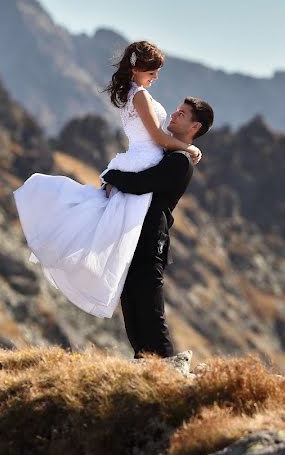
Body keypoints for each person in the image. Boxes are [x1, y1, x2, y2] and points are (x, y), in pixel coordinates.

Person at [12, 40, 202, 319]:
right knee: (128, 232)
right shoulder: (140, 96)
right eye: (153, 71)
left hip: (140, 158)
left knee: (121, 227)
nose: (156, 77)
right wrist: (189, 147)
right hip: (144, 160)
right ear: (139, 68)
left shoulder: (132, 94)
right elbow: (158, 137)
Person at [103, 96, 214, 358]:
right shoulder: (167, 154)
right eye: (176, 111)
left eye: (182, 114)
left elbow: (141, 183)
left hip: (151, 241)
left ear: (194, 127)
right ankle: (145, 368)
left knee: (150, 313)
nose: (173, 116)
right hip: (136, 238)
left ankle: (169, 374)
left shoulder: (180, 161)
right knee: (132, 307)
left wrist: (111, 175)